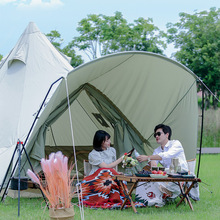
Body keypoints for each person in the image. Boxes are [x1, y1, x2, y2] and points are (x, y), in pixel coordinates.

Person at [80, 130, 143, 209]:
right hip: (97, 178)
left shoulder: (112, 150)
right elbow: (105, 167)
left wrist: (116, 172)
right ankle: (109, 199)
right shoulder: (93, 154)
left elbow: (112, 166)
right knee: (105, 173)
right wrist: (122, 158)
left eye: (109, 139)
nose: (109, 141)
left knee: (118, 177)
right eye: (106, 141)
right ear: (100, 142)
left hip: (109, 175)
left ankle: (122, 199)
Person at [136, 124, 188, 207]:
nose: (156, 136)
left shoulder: (175, 144)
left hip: (180, 174)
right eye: (155, 135)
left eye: (159, 134)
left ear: (167, 134)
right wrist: (151, 161)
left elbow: (166, 155)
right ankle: (153, 199)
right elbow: (154, 165)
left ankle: (162, 198)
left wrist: (148, 157)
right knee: (148, 178)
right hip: (167, 175)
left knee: (157, 180)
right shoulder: (157, 150)